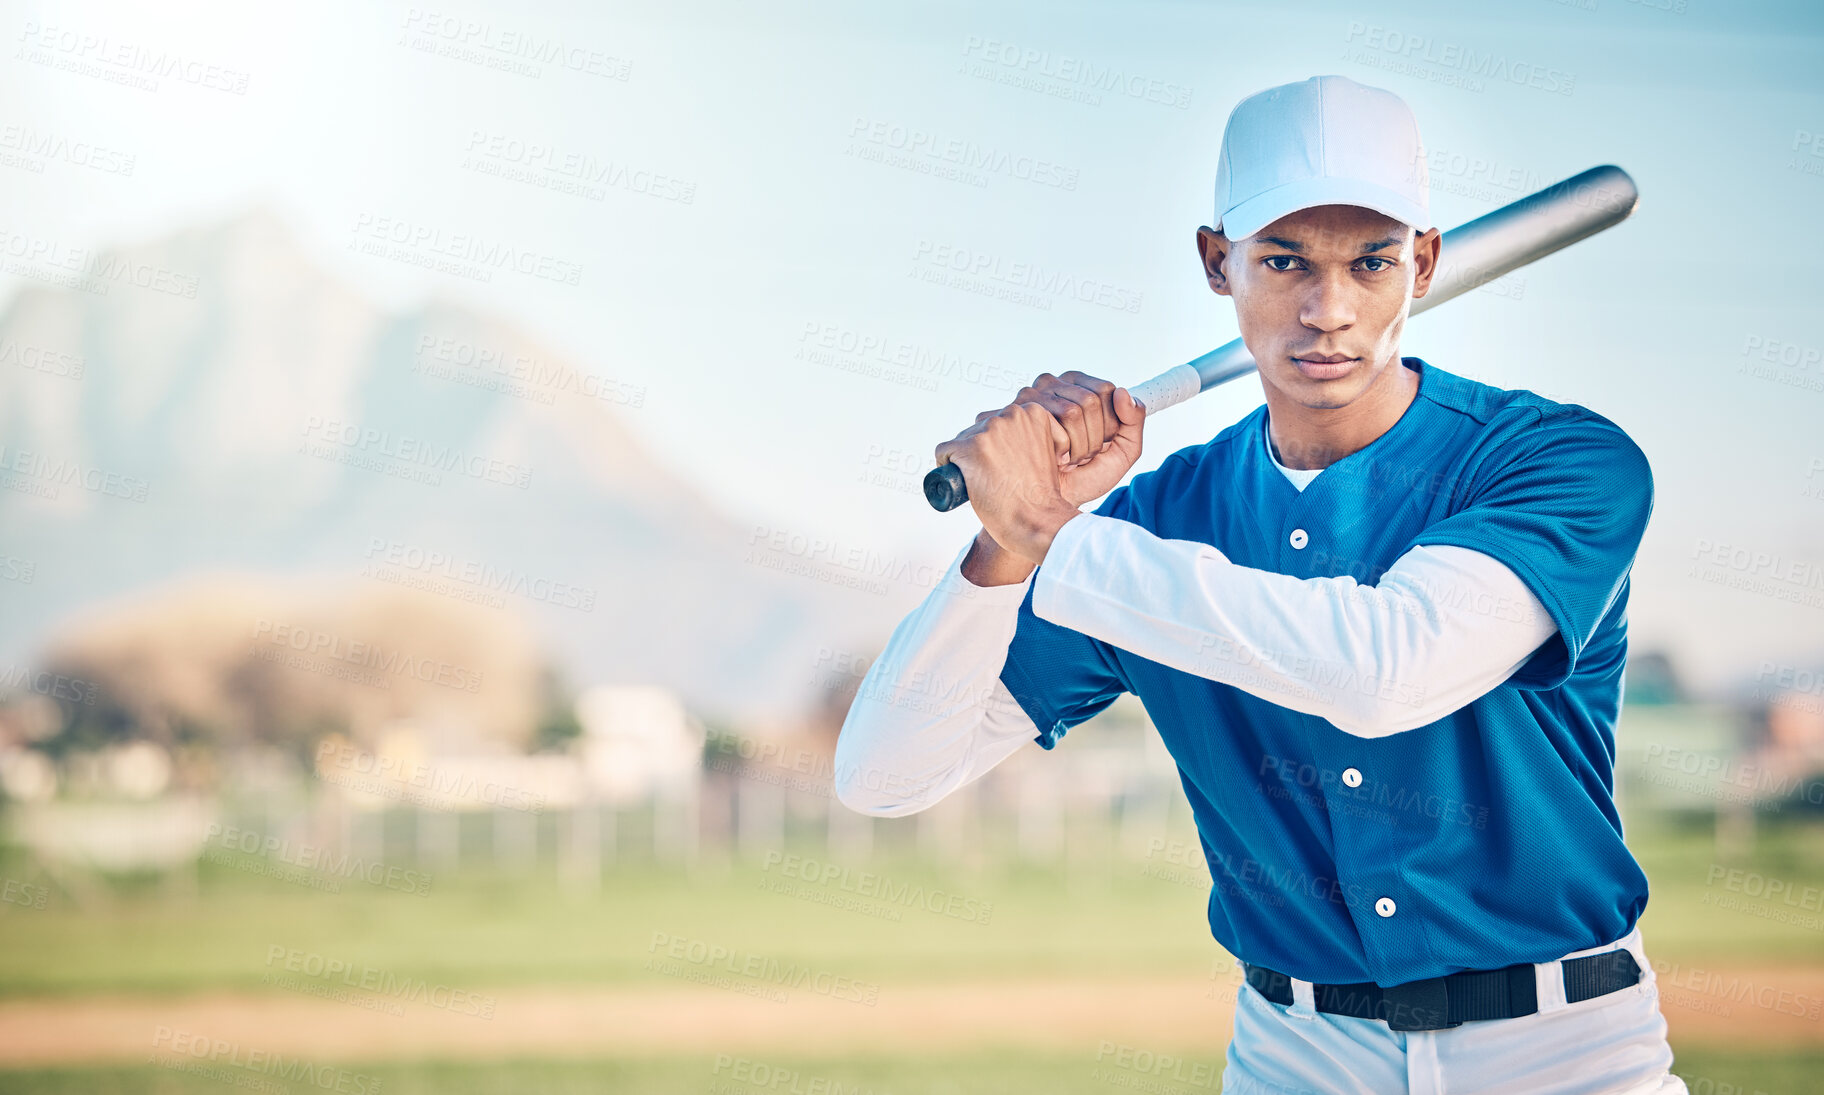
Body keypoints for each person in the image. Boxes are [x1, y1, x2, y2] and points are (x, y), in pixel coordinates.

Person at [833, 74, 1686, 1094]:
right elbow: (884, 774)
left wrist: (1054, 531)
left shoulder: (1560, 461)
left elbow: (1388, 670)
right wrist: (1004, 552)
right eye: (1283, 262)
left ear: (1422, 263)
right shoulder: (1153, 525)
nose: (1328, 311)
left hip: (1564, 1052)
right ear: (1215, 263)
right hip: (1296, 1054)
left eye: (1370, 262)